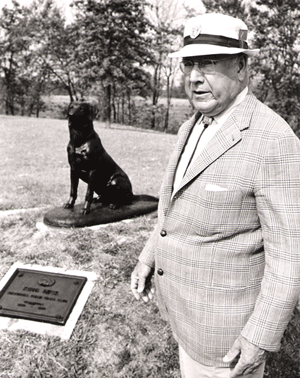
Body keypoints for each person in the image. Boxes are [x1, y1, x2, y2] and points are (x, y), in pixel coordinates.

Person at [131, 12, 300, 378]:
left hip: (228, 345)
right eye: (189, 64)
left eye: (209, 63)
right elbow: (174, 209)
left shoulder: (274, 140)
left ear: (241, 67)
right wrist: (148, 257)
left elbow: (289, 257)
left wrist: (259, 337)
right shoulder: (193, 125)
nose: (194, 77)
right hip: (186, 322)